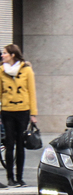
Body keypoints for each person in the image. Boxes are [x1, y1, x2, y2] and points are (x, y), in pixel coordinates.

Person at [0, 44, 38, 187]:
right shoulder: (1, 71)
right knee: (9, 144)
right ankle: (10, 178)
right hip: (7, 110)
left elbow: (32, 92)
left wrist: (33, 113)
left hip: (23, 110)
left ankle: (19, 178)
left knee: (21, 145)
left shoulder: (27, 70)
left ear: (12, 55)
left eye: (5, 53)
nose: (2, 55)